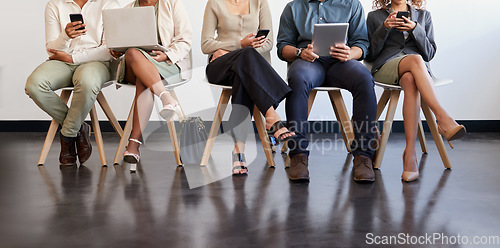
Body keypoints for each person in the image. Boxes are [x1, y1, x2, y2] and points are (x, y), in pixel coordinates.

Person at [277, 0, 378, 182]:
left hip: (341, 63)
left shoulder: (351, 4)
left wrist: (350, 53)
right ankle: (298, 154)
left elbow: (362, 44)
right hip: (308, 62)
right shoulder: (294, 7)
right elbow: (282, 47)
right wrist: (300, 52)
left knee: (364, 78)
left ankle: (363, 156)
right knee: (298, 78)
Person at [366, 0, 466, 182]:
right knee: (416, 60)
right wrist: (384, 27)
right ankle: (442, 118)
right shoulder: (375, 16)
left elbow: (429, 53)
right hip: (387, 67)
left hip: (416, 71)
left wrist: (415, 29)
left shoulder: (424, 16)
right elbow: (370, 54)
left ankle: (410, 155)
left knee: (410, 78)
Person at [201, 0, 296, 175]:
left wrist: (240, 51)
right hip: (221, 65)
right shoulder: (214, 3)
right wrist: (239, 46)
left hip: (250, 68)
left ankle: (238, 149)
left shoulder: (260, 2)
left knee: (243, 72)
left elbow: (268, 43)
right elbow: (205, 45)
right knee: (245, 58)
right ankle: (271, 115)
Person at [25, 0, 120, 166]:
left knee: (87, 81)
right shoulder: (55, 4)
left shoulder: (109, 4)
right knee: (34, 85)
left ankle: (68, 135)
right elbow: (52, 48)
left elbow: (109, 49)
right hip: (63, 61)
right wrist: (65, 36)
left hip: (98, 61)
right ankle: (79, 128)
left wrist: (73, 58)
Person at [109, 0, 192, 164]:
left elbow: (185, 39)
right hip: (133, 63)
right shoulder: (127, 10)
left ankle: (134, 144)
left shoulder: (172, 3)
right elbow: (116, 43)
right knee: (133, 53)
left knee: (144, 80)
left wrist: (167, 55)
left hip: (166, 62)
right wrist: (115, 50)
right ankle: (166, 98)